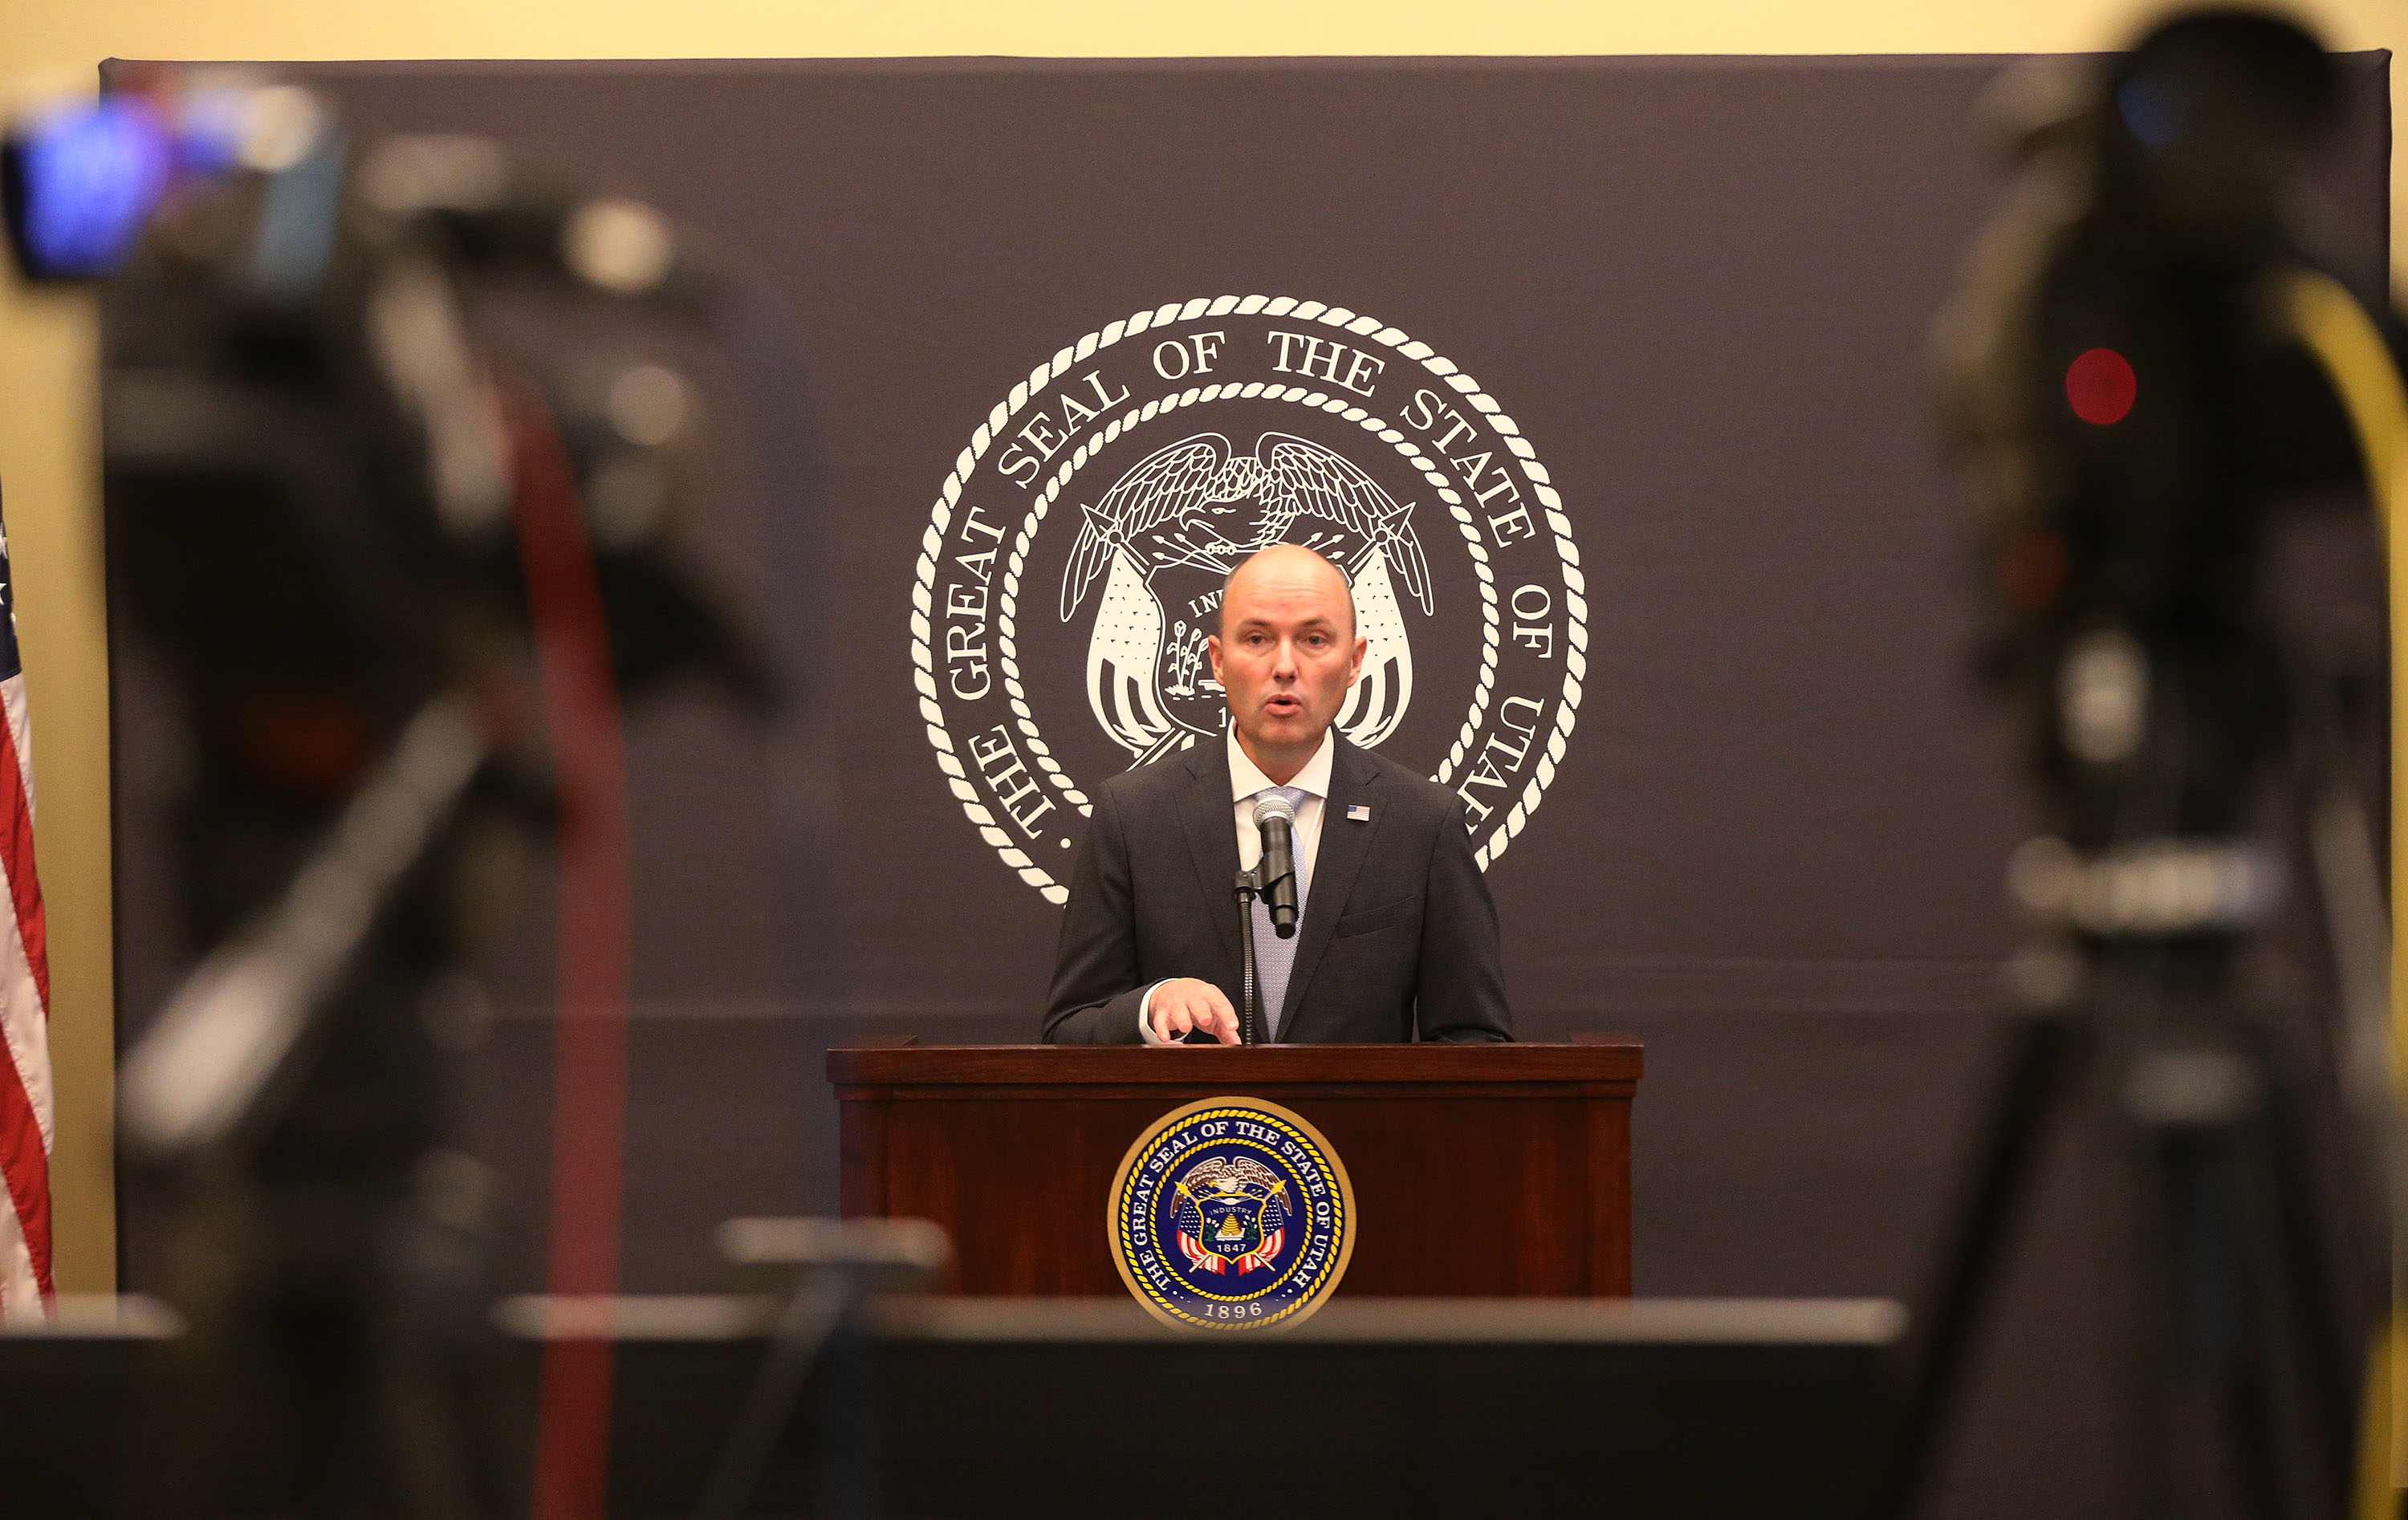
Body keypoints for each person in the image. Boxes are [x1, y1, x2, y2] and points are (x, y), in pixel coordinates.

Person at [1043, 543, 1513, 1044]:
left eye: (1313, 639)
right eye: (1257, 638)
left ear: (1355, 662)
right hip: (1192, 1121)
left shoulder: (1421, 822)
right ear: (1219, 661)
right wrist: (1148, 1007)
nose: (1285, 666)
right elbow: (1068, 1030)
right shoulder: (1133, 815)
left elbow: (1474, 1039)